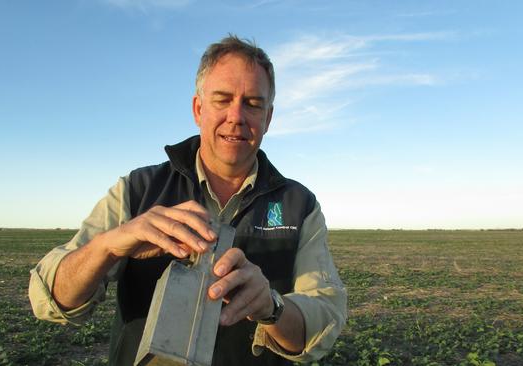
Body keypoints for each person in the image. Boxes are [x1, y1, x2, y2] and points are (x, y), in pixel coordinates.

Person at [29, 35, 347, 365]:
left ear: (268, 118)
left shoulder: (299, 204)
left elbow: (323, 318)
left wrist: (271, 307)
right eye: (222, 100)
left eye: (253, 103)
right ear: (198, 108)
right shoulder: (138, 189)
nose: (236, 116)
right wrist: (108, 246)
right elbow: (49, 300)